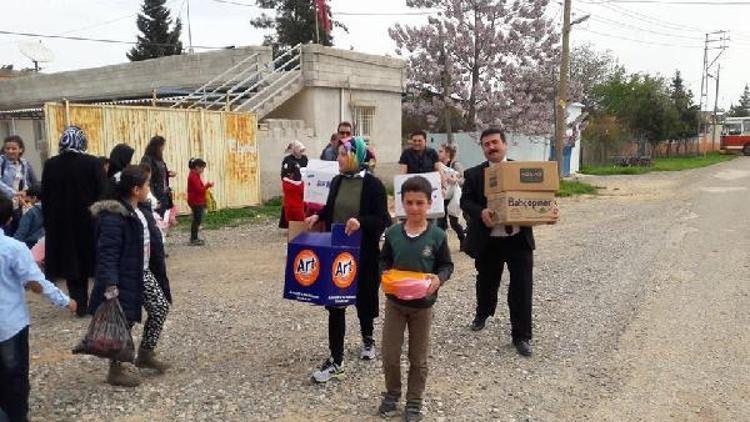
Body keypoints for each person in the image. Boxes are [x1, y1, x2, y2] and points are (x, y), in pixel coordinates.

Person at [460, 128, 559, 357]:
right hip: (489, 241)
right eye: (486, 144)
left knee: (522, 289)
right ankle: (482, 313)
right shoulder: (474, 174)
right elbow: (465, 202)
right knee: (486, 282)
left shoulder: (521, 171)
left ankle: (521, 336)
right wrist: (480, 211)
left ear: (505, 145)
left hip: (518, 240)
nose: (491, 147)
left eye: (495, 142)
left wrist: (550, 211)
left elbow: (539, 196)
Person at [304, 136, 390, 383]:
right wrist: (316, 217)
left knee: (364, 298)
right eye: (338, 153)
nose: (338, 158)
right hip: (338, 252)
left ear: (356, 156)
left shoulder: (373, 185)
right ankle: (336, 359)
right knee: (335, 303)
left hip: (363, 252)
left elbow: (383, 218)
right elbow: (331, 210)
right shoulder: (337, 181)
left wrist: (361, 221)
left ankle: (367, 338)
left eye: (343, 154)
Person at [88, 164, 172, 387]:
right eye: (146, 185)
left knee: (160, 308)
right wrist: (110, 284)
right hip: (123, 277)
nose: (149, 188)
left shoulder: (140, 210)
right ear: (136, 189)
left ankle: (145, 354)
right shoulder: (114, 217)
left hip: (142, 272)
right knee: (123, 321)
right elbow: (107, 253)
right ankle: (116, 369)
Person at [378, 176, 453, 422]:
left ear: (429, 204)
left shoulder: (438, 236)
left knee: (418, 358)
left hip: (422, 307)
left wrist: (438, 280)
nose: (414, 208)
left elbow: (446, 265)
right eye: (409, 202)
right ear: (402, 203)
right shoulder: (392, 233)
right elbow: (384, 260)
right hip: (396, 304)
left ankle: (414, 401)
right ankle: (392, 393)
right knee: (389, 353)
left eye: (419, 203)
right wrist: (383, 274)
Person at [0, 195, 76, 422]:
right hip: (8, 325)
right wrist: (65, 300)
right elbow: (36, 283)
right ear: (7, 221)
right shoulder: (12, 248)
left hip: (9, 323)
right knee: (15, 376)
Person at [42, 126, 106, 317]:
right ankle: (96, 304)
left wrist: (48, 222)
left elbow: (46, 195)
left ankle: (79, 304)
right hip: (88, 221)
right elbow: (103, 192)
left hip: (61, 223)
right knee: (92, 261)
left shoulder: (51, 164)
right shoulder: (92, 163)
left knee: (71, 264)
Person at [0, 135, 38, 236]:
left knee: (18, 232)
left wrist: (25, 194)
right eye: (7, 148)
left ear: (20, 149)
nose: (10, 151)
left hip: (18, 205)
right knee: (5, 233)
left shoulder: (24, 163)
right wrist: (15, 193)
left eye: (14, 148)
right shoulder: (1, 162)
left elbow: (25, 181)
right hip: (3, 205)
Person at [436, 143, 466, 249]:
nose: (438, 153)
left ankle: (462, 239)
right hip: (442, 197)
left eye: (441, 151)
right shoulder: (437, 165)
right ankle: (442, 246)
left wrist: (455, 180)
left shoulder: (455, 164)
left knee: (454, 223)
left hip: (453, 197)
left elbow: (463, 180)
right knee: (441, 223)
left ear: (447, 153)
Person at [140, 135, 175, 217]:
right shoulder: (147, 158)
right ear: (157, 146)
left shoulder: (159, 158)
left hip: (164, 193)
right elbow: (145, 175)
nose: (163, 148)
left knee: (163, 218)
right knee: (157, 217)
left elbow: (159, 173)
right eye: (162, 145)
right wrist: (151, 195)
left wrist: (168, 173)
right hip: (156, 193)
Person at [279, 140, 308, 229]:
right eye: (300, 150)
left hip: (303, 184)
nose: (301, 152)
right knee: (291, 206)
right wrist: (292, 181)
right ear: (295, 150)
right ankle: (290, 225)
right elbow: (284, 174)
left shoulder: (304, 158)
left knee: (303, 205)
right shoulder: (288, 160)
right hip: (292, 187)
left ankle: (303, 223)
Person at [187, 158, 213, 246]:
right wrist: (208, 185)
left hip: (196, 200)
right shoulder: (193, 176)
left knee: (197, 219)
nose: (202, 170)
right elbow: (199, 190)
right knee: (197, 220)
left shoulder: (194, 175)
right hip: (195, 201)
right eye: (202, 168)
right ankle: (193, 239)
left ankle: (194, 238)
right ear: (197, 167)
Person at [14, 184, 44, 249]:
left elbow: (20, 235)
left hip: (28, 247)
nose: (25, 202)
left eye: (27, 200)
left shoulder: (30, 213)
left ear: (34, 198)